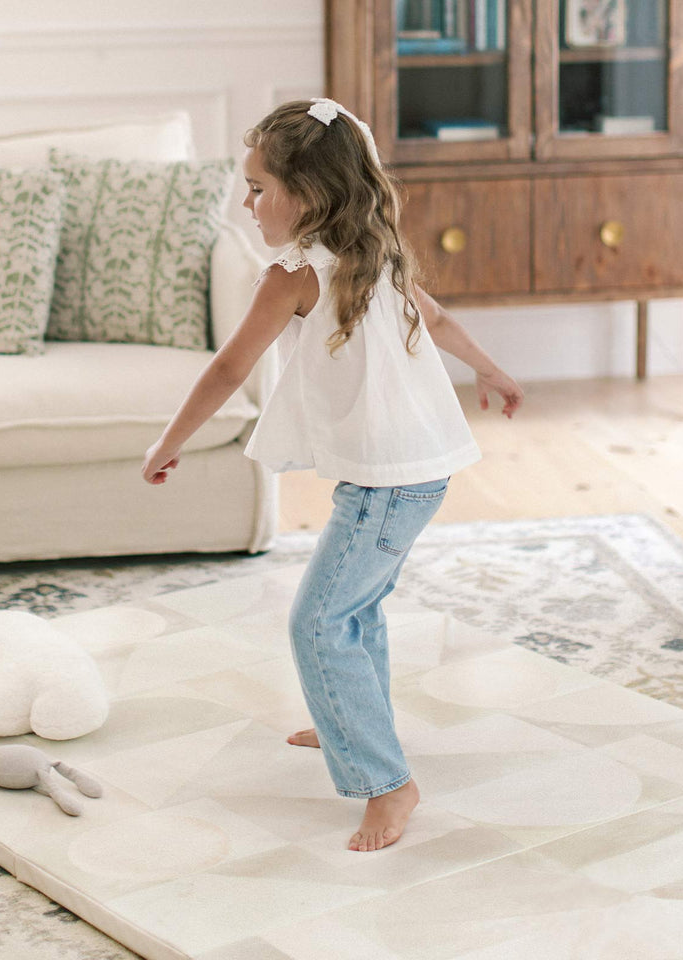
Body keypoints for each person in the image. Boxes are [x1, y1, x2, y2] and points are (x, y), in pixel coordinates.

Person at [142, 98, 523, 852]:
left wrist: (168, 442)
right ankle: (346, 720)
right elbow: (439, 321)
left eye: (258, 189)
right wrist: (493, 371)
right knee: (357, 608)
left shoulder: (293, 273)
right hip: (416, 474)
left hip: (389, 485)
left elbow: (229, 368)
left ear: (307, 194)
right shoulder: (375, 249)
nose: (246, 205)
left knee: (317, 622)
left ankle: (387, 783)